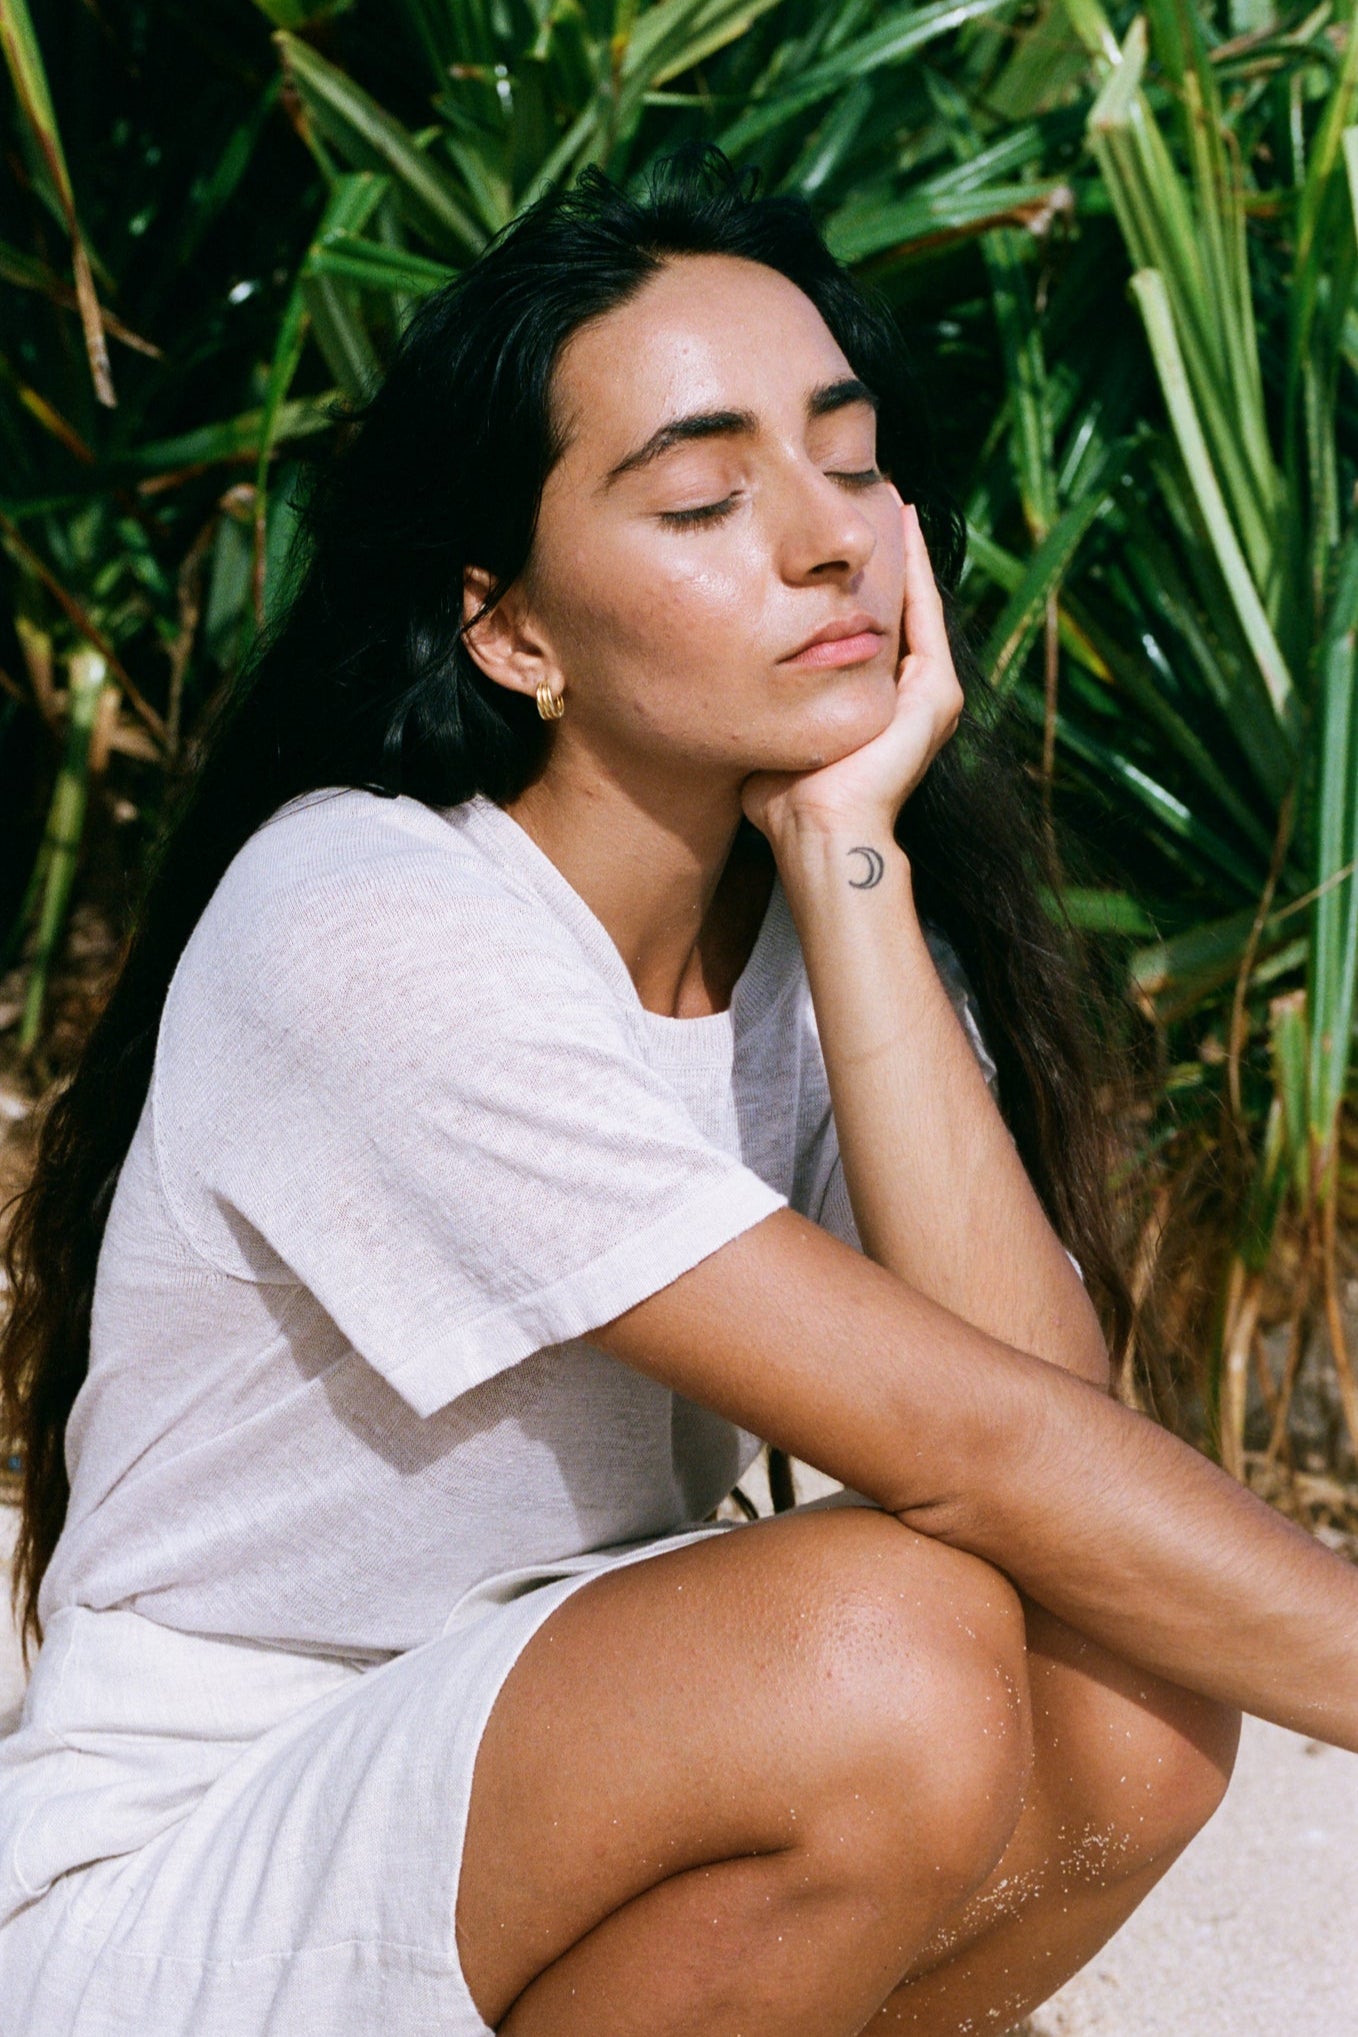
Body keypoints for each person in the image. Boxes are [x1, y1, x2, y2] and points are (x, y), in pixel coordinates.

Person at [0, 146, 1354, 2037]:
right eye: (706, 496)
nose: (826, 541)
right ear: (512, 629)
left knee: (1121, 1695)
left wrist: (849, 856)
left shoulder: (817, 936)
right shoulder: (366, 916)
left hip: (560, 1784)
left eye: (854, 460)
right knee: (887, 1643)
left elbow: (1050, 1444)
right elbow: (980, 1458)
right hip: (190, 1885)